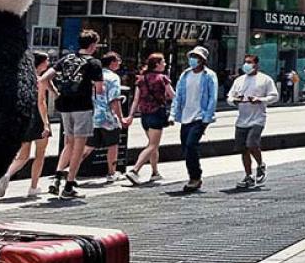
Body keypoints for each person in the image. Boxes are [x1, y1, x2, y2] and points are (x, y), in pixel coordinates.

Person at [49, 31, 105, 198]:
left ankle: (57, 177)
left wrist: (56, 92)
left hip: (65, 106)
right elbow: (100, 88)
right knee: (79, 148)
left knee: (69, 143)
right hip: (83, 106)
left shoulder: (66, 59)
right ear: (93, 45)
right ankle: (69, 185)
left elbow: (44, 78)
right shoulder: (94, 63)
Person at [0, 52, 55, 198]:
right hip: (39, 119)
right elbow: (41, 102)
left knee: (23, 155)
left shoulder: (23, 78)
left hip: (25, 118)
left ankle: (7, 174)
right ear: (40, 63)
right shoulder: (40, 80)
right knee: (39, 155)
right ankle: (33, 187)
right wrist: (46, 124)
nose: (48, 63)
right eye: (46, 61)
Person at [227, 54, 279, 189]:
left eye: (250, 62)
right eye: (245, 62)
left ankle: (260, 165)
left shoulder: (265, 80)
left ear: (256, 64)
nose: (247, 65)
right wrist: (234, 101)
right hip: (242, 119)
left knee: (251, 143)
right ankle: (248, 175)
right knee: (242, 148)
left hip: (258, 118)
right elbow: (230, 96)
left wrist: (260, 100)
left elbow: (274, 96)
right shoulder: (239, 80)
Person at [171, 46, 218, 192]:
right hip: (185, 116)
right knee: (186, 147)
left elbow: (212, 97)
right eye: (192, 56)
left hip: (200, 116)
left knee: (191, 144)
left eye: (196, 57)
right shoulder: (185, 75)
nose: (193, 59)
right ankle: (193, 174)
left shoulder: (209, 75)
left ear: (202, 60)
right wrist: (173, 114)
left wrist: (207, 117)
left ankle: (195, 177)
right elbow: (178, 96)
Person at [125, 53, 175, 185]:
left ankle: (155, 172)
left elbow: (136, 100)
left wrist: (130, 115)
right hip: (156, 113)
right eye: (163, 62)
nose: (165, 64)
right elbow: (173, 95)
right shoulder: (162, 78)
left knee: (153, 144)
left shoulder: (141, 79)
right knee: (152, 145)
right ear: (157, 64)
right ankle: (135, 170)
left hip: (144, 115)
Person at [88, 52, 130, 184]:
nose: (120, 63)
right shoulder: (113, 78)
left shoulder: (95, 75)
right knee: (113, 145)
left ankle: (71, 169)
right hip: (108, 117)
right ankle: (112, 172)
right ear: (112, 62)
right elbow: (114, 100)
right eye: (118, 61)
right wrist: (121, 117)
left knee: (88, 145)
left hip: (93, 115)